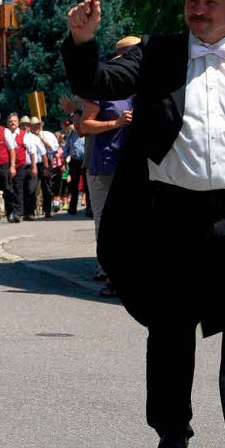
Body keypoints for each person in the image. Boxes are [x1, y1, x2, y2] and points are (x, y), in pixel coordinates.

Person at [63, 0, 225, 448]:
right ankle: (172, 432)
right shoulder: (157, 52)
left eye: (210, 0)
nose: (198, 8)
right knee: (172, 324)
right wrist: (83, 40)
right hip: (172, 210)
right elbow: (99, 84)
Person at [79, 88, 133, 296]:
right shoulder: (105, 90)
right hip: (106, 165)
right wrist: (115, 123)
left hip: (134, 165)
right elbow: (84, 126)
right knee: (109, 222)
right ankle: (111, 275)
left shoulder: (140, 89)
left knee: (132, 221)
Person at [30, 116, 58, 218]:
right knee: (32, 187)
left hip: (45, 162)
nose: (35, 127)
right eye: (33, 126)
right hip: (34, 163)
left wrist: (42, 139)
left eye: (37, 125)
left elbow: (54, 148)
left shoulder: (48, 135)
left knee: (47, 187)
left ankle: (47, 210)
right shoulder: (28, 136)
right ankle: (31, 210)